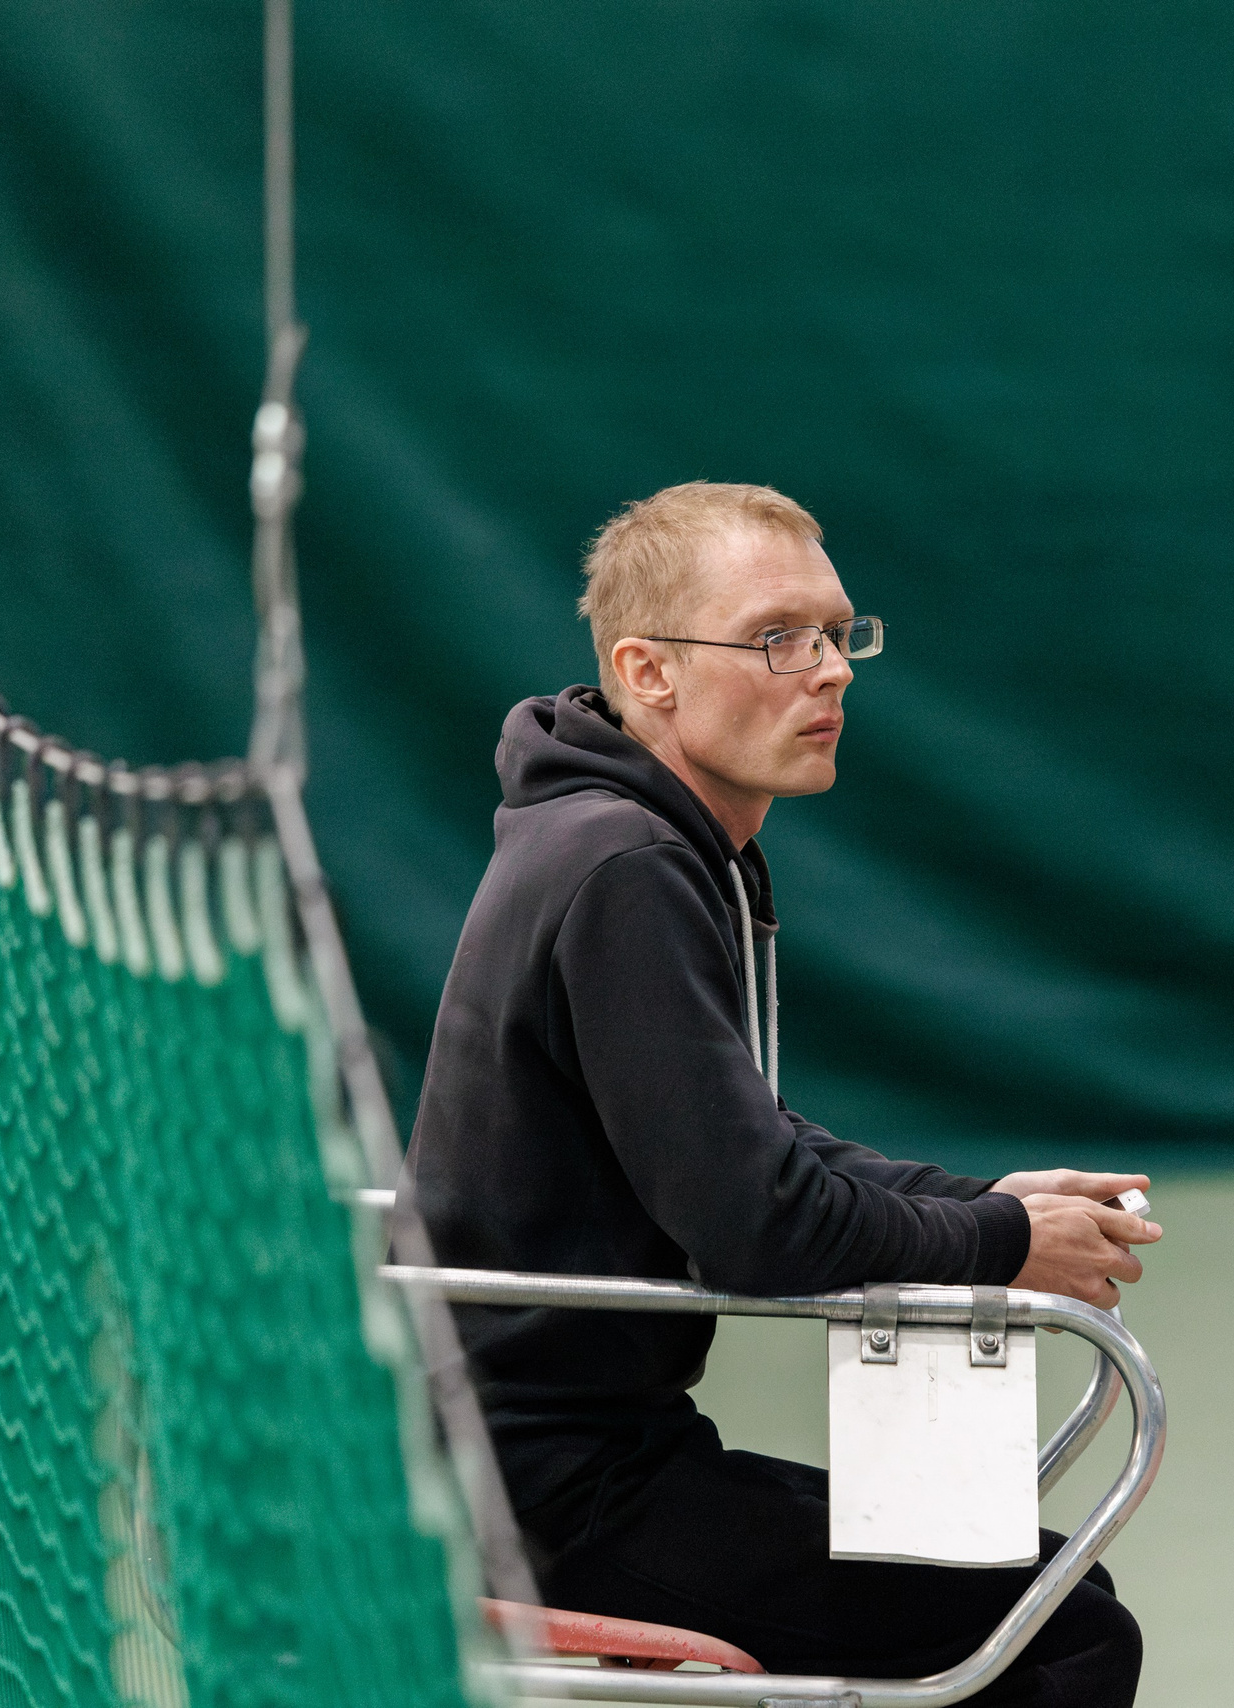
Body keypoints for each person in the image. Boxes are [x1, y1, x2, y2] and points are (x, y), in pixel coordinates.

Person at [408, 481, 1159, 1705]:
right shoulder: (630, 865)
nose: (828, 671)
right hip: (540, 1496)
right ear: (647, 672)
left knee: (1047, 1597)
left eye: (834, 633)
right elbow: (756, 1222)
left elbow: (746, 1142)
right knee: (1053, 1630)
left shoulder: (631, 840)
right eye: (776, 638)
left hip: (570, 1463)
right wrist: (1005, 1242)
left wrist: (981, 1200)